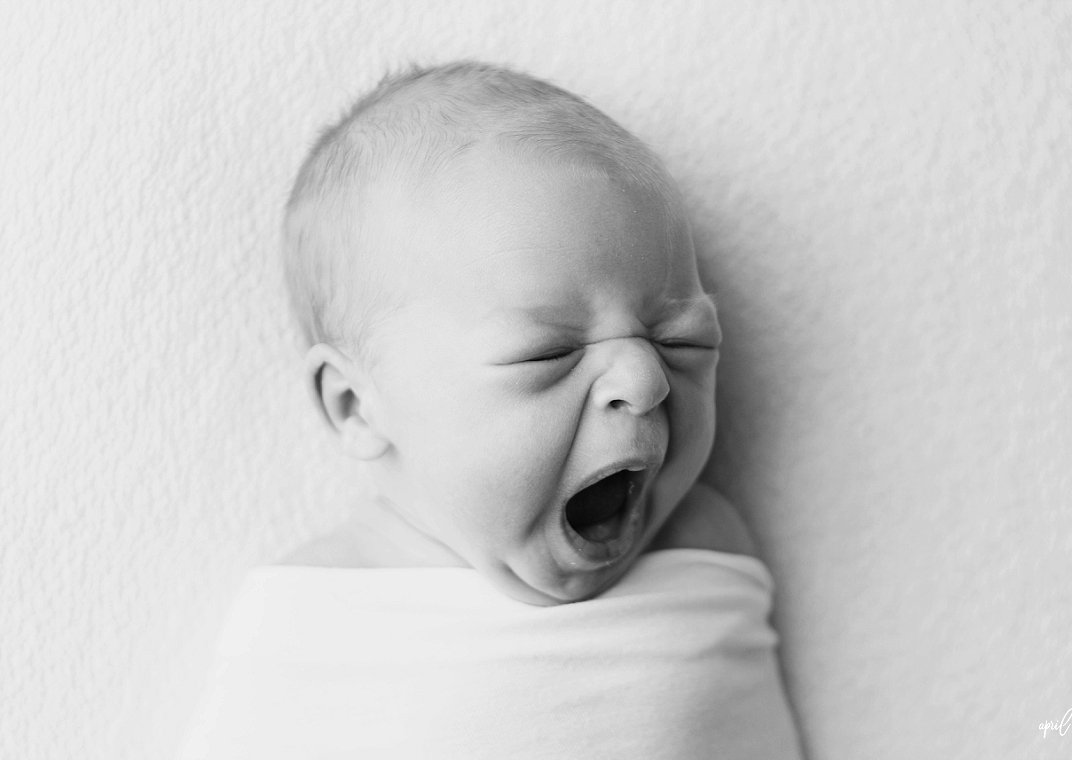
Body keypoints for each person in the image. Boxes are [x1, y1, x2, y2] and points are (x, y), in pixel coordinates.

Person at [179, 61, 802, 759]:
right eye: (546, 353)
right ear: (357, 406)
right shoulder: (316, 619)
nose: (646, 379)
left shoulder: (706, 543)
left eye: (683, 339)